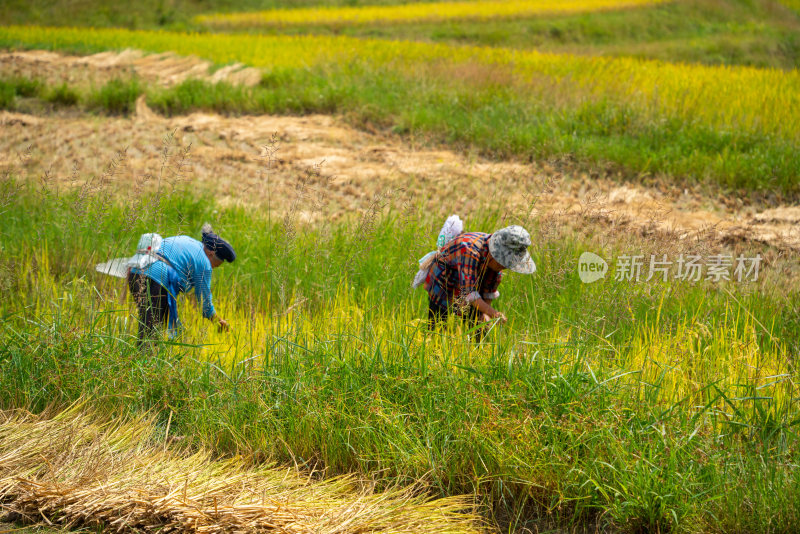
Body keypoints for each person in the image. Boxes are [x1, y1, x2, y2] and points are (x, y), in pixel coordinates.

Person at [127, 223, 235, 345]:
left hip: (135, 271)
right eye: (216, 265)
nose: (213, 268)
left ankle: (142, 359)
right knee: (150, 334)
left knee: (148, 326)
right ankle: (143, 361)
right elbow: (204, 302)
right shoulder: (205, 263)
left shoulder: (189, 241)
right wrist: (218, 322)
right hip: (157, 278)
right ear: (211, 254)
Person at [423, 225, 535, 336]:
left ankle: (475, 349)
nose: (505, 266)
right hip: (445, 281)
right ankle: (432, 342)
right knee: (437, 325)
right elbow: (469, 293)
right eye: (504, 262)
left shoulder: (495, 265)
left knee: (479, 326)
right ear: (494, 254)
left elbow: (488, 290)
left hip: (472, 283)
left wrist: (485, 314)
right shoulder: (469, 250)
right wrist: (494, 314)